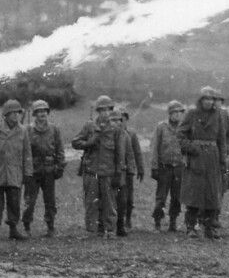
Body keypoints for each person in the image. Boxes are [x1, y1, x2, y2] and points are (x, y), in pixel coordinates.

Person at [178, 87, 229, 239]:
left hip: (212, 158)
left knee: (212, 193)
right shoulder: (192, 114)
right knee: (194, 193)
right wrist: (191, 147)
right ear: (200, 100)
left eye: (211, 99)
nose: (208, 102)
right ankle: (190, 227)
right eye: (205, 99)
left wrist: (222, 160)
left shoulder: (219, 116)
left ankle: (209, 228)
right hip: (196, 158)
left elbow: (222, 140)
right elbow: (180, 135)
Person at [73, 95, 126, 237]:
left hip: (108, 172)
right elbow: (75, 142)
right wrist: (89, 143)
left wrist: (118, 173)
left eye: (108, 110)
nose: (105, 113)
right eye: (102, 110)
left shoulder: (116, 130)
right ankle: (92, 230)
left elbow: (120, 154)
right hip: (91, 171)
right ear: (98, 111)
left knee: (110, 203)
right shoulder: (89, 126)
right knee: (91, 203)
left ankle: (110, 230)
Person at [0, 99, 33, 241]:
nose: (16, 116)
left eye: (18, 113)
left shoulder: (22, 130)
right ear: (6, 115)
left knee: (14, 203)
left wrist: (28, 173)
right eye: (13, 113)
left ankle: (13, 228)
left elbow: (27, 153)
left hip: (15, 173)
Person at [23, 99, 66, 236]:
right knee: (30, 201)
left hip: (49, 170)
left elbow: (59, 149)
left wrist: (60, 166)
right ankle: (26, 226)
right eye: (39, 111)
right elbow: (24, 152)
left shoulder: (54, 129)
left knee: (50, 201)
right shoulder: (28, 130)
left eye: (44, 111)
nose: (42, 114)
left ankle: (50, 226)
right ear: (35, 114)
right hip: (33, 171)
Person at [149, 100, 186, 233]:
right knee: (161, 197)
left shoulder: (184, 128)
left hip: (179, 168)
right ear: (169, 114)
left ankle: (173, 222)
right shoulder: (161, 127)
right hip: (164, 168)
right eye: (174, 112)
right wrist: (154, 167)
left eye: (179, 112)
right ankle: (157, 222)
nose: (177, 115)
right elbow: (154, 148)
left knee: (177, 197)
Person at [113, 107, 145, 235]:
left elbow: (136, 153)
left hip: (127, 171)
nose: (121, 122)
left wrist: (140, 168)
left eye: (123, 119)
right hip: (115, 171)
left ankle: (128, 218)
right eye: (118, 119)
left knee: (128, 198)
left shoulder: (130, 134)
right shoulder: (112, 134)